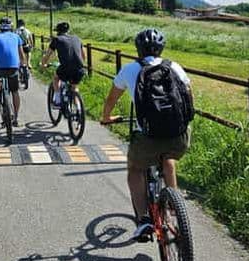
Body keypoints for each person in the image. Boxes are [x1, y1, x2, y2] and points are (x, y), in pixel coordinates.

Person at [100, 28, 193, 242]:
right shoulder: (174, 67)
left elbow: (111, 99)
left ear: (138, 49)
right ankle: (173, 206)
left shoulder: (130, 69)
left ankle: (143, 220)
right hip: (178, 136)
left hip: (148, 137)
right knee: (168, 158)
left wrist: (107, 117)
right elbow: (189, 97)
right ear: (162, 48)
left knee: (135, 169)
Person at [0, 17, 26, 126]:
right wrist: (23, 64)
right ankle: (16, 117)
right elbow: (21, 54)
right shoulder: (16, 37)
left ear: (0, 26)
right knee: (15, 91)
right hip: (13, 68)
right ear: (11, 27)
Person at [40, 22, 85, 107]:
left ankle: (57, 100)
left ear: (58, 31)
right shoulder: (77, 38)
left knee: (56, 78)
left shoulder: (57, 39)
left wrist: (43, 64)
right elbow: (83, 56)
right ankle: (79, 110)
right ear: (68, 30)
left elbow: (47, 55)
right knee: (74, 88)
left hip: (66, 68)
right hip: (79, 69)